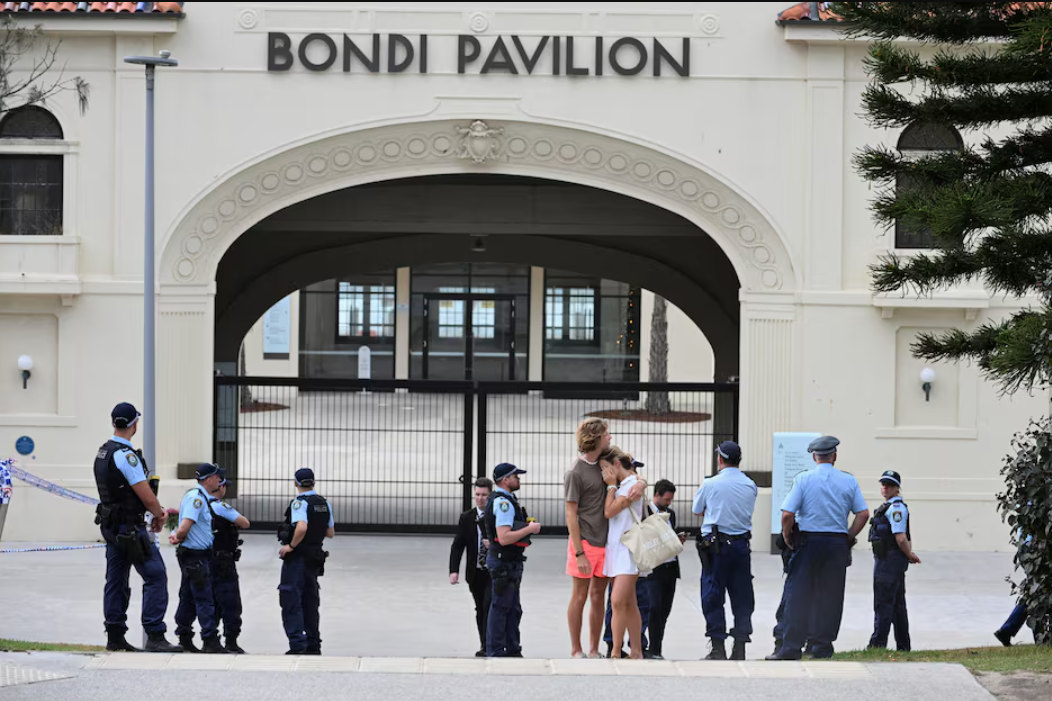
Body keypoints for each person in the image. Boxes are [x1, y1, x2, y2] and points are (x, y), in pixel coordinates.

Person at [767, 436, 870, 661]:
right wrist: (848, 536)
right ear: (835, 456)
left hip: (808, 543)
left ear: (814, 456)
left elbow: (787, 515)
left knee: (798, 595)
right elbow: (863, 514)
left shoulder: (803, 479)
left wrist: (787, 537)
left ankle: (791, 648)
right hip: (836, 544)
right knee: (831, 596)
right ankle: (822, 646)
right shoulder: (848, 480)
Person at [93, 402, 181, 653]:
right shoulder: (126, 456)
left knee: (116, 580)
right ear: (135, 425)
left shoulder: (103, 452)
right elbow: (146, 495)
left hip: (111, 527)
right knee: (155, 575)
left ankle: (115, 636)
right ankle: (155, 634)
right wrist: (160, 515)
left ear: (113, 423)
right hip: (130, 528)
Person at [565, 418, 645, 658]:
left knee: (598, 596)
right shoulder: (575, 472)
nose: (610, 437)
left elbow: (631, 472)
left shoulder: (607, 460)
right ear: (596, 437)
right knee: (580, 595)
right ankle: (576, 649)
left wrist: (642, 482)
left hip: (607, 544)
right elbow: (570, 514)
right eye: (606, 434)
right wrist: (579, 552)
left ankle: (593, 649)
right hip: (584, 542)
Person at [693, 441, 758, 660]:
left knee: (713, 594)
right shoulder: (750, 484)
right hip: (741, 546)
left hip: (716, 546)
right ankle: (740, 646)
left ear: (720, 459)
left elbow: (697, 510)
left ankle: (717, 646)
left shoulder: (710, 483)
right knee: (742, 596)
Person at [169, 463, 228, 654]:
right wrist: (178, 536)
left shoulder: (198, 496)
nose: (219, 480)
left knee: (187, 597)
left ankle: (184, 637)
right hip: (196, 557)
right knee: (204, 598)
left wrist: (178, 536)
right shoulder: (197, 499)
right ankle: (210, 640)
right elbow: (185, 526)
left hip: (193, 555)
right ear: (209, 479)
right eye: (217, 477)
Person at [483, 463, 540, 658]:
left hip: (508, 562)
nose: (518, 479)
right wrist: (529, 529)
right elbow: (504, 537)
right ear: (505, 480)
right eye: (515, 476)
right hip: (504, 563)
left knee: (512, 608)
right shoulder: (504, 504)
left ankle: (512, 648)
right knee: (501, 607)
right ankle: (497, 650)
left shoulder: (505, 500)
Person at [278, 468, 334, 655]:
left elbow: (301, 527)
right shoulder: (324, 503)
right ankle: (313, 644)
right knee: (310, 601)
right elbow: (330, 532)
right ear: (313, 482)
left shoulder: (299, 503)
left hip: (298, 558)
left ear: (296, 483)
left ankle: (297, 645)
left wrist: (291, 546)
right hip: (315, 557)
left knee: (291, 600)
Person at [601, 459, 652, 659]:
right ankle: (636, 651)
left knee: (617, 601)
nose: (604, 473)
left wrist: (611, 486)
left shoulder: (630, 485)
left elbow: (609, 511)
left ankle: (616, 651)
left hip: (627, 550)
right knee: (629, 603)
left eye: (606, 468)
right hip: (616, 549)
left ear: (616, 464)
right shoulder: (628, 483)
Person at [867, 470, 921, 652]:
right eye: (883, 484)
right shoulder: (888, 507)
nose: (885, 488)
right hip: (889, 560)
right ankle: (903, 646)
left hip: (889, 561)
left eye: (889, 485)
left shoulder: (896, 509)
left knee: (883, 602)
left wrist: (909, 554)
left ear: (897, 488)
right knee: (898, 605)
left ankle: (877, 644)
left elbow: (900, 537)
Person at [449, 477, 495, 657]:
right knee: (480, 608)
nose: (480, 498)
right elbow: (458, 545)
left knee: (489, 605)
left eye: (484, 495)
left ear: (490, 495)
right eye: (477, 494)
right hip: (475, 571)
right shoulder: (467, 517)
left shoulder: (496, 515)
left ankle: (492, 643)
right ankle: (484, 644)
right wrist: (454, 570)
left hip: (493, 570)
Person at [643, 478, 686, 659]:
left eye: (670, 500)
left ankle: (656, 648)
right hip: (655, 567)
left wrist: (677, 539)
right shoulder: (645, 512)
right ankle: (647, 647)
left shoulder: (670, 514)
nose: (668, 503)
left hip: (670, 566)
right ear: (657, 495)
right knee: (653, 608)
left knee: (664, 611)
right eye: (666, 499)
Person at [208, 475, 251, 653]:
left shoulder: (198, 503)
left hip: (205, 559)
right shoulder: (221, 506)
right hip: (223, 561)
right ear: (220, 487)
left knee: (209, 600)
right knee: (230, 601)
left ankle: (209, 639)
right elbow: (245, 523)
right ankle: (231, 641)